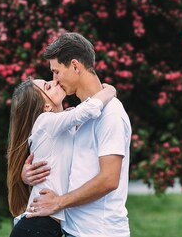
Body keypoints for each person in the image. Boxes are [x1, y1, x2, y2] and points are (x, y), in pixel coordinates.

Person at [23, 32, 132, 237]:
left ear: (75, 66)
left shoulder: (111, 114)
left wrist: (59, 202)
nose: (54, 80)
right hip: (74, 230)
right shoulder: (78, 116)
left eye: (56, 72)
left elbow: (109, 179)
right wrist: (28, 174)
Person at [7, 77, 117, 237]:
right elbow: (88, 109)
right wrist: (110, 91)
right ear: (46, 106)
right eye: (48, 87)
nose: (55, 82)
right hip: (38, 227)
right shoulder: (45, 122)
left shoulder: (61, 127)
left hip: (47, 227)